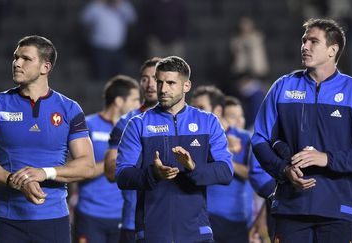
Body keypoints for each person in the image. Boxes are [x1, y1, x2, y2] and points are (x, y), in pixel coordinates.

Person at [251, 18, 352, 243]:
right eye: (304, 41)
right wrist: (283, 170)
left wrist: (327, 159)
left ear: (332, 50)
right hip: (289, 207)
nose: (305, 46)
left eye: (313, 42)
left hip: (337, 211)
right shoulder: (283, 87)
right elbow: (260, 139)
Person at [0, 35, 96, 243]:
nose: (17, 63)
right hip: (8, 221)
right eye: (15, 58)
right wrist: (15, 181)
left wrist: (44, 173)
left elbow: (87, 165)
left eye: (26, 59)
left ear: (45, 67)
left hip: (54, 220)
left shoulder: (70, 109)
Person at [115, 56, 233, 243]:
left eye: (170, 83)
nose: (163, 89)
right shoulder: (138, 124)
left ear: (186, 86)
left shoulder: (208, 122)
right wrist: (153, 174)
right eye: (159, 82)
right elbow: (122, 175)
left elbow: (226, 172)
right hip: (152, 234)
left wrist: (193, 167)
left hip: (197, 233)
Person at [74, 75, 140, 243]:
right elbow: (74, 168)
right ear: (119, 101)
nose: (138, 105)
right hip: (90, 213)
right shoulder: (87, 125)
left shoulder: (133, 129)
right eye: (134, 99)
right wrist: (111, 163)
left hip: (122, 214)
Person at [104, 57, 160, 243]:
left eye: (155, 77)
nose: (150, 84)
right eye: (145, 78)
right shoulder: (125, 122)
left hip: (173, 220)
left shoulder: (185, 120)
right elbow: (111, 172)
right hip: (133, 223)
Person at [191, 86, 253, 243]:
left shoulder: (244, 138)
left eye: (201, 108)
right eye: (193, 108)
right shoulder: (194, 138)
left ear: (217, 110)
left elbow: (253, 174)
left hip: (236, 219)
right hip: (204, 217)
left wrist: (226, 162)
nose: (195, 113)